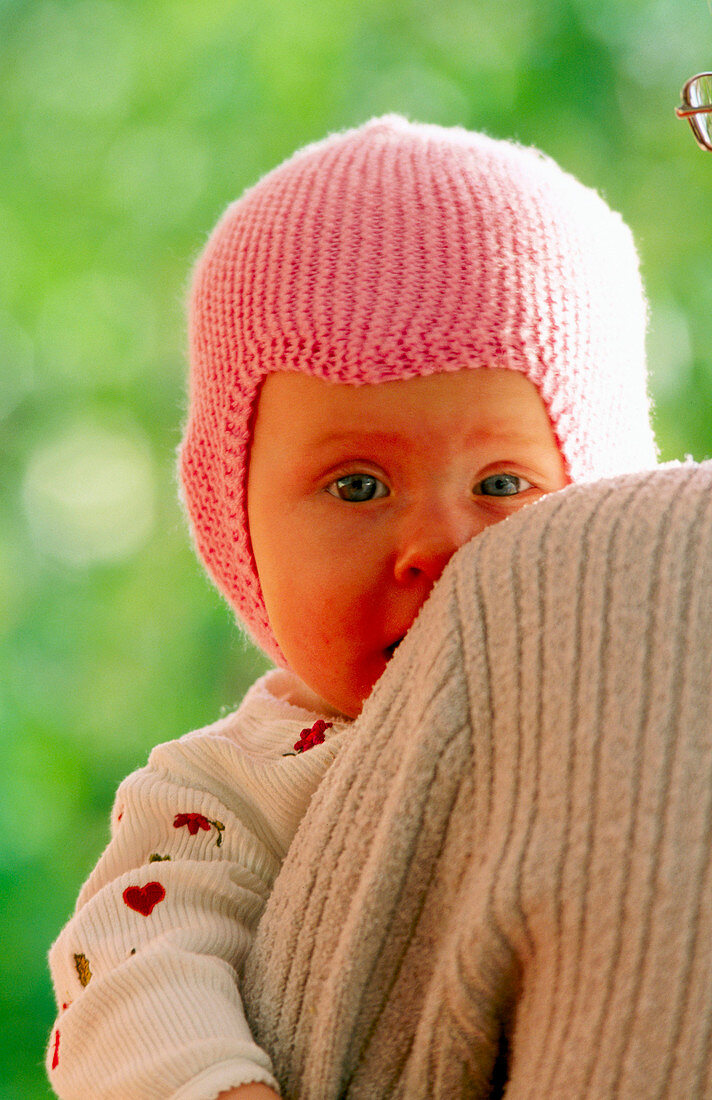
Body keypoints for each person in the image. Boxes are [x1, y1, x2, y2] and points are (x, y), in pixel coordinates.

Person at [46, 115, 657, 1099]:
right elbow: (126, 963)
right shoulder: (238, 785)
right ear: (237, 526)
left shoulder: (650, 716)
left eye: (503, 483)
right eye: (358, 485)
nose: (437, 546)